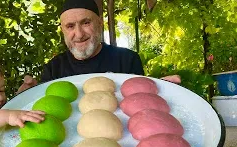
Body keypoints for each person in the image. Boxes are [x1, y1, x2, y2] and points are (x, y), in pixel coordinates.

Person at [17, 0, 180, 94]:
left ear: (100, 24)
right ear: (63, 31)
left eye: (86, 23)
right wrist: (30, 97)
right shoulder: (53, 68)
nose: (79, 34)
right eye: (70, 26)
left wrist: (160, 90)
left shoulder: (127, 60)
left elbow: (138, 100)